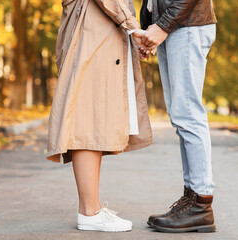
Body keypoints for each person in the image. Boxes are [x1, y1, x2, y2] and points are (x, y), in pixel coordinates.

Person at [48, 0, 153, 232]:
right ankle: (89, 211)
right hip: (91, 27)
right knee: (87, 119)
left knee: (95, 118)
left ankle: (91, 207)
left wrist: (132, 33)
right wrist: (133, 27)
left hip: (97, 25)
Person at [139, 0, 217, 233]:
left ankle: (201, 205)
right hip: (175, 25)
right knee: (180, 116)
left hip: (187, 24)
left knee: (188, 115)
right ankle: (191, 198)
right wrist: (150, 28)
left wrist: (161, 26)